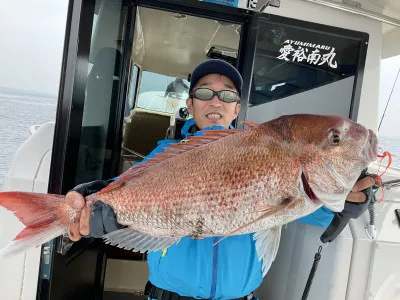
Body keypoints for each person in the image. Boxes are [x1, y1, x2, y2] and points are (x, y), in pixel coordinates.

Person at [65, 59, 375, 299]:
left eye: (227, 94)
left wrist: (345, 204)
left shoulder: (269, 155)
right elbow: (128, 186)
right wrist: (92, 194)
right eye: (204, 93)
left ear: (237, 108)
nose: (216, 101)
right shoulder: (168, 152)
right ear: (190, 105)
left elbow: (313, 209)